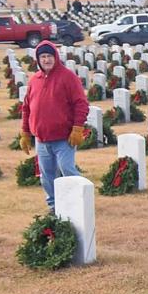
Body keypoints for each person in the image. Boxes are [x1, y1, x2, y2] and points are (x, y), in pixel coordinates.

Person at [19, 41, 89, 211]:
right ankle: (54, 207)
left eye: (49, 56)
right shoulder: (34, 79)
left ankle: (79, 203)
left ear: (55, 57)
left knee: (67, 170)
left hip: (63, 138)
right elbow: (27, 107)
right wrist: (25, 133)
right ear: (38, 59)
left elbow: (81, 104)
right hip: (42, 139)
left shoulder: (68, 77)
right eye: (42, 57)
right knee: (47, 176)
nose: (46, 60)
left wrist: (77, 128)